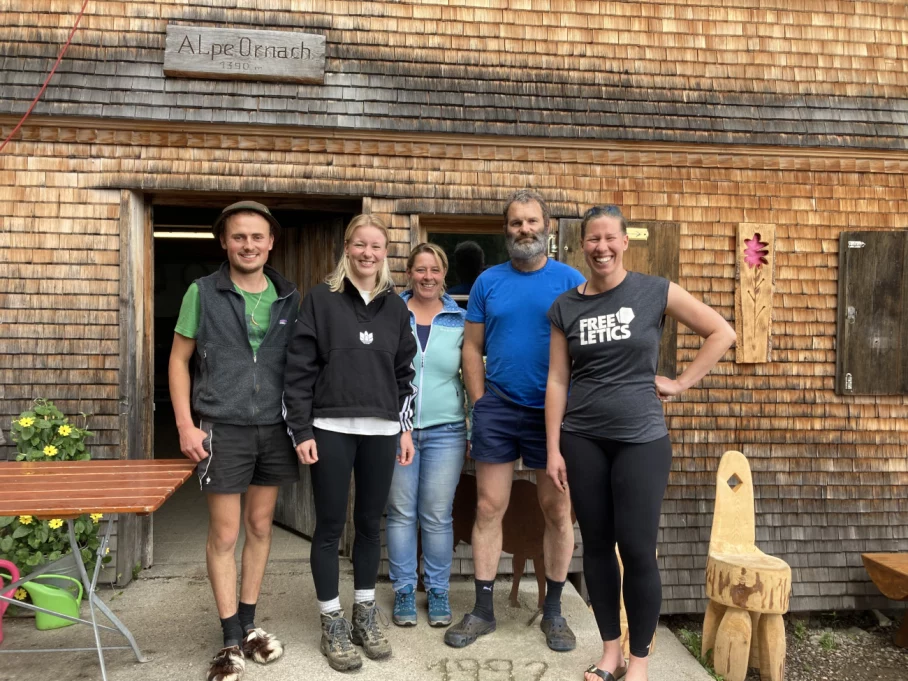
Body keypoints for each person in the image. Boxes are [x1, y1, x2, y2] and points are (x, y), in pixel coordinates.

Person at [545, 205, 736, 681]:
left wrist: (682, 381)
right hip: (582, 438)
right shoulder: (565, 306)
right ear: (582, 244)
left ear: (625, 241)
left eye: (610, 238)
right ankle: (610, 652)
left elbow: (721, 331)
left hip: (641, 440)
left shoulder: (655, 290)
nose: (601, 247)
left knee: (635, 547)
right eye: (593, 239)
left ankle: (641, 663)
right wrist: (552, 449)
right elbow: (556, 380)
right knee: (596, 548)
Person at [445, 190, 586, 651]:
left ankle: (554, 611)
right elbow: (471, 347)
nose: (523, 230)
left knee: (557, 509)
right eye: (514, 223)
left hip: (554, 411)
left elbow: (585, 352)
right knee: (488, 507)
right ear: (505, 230)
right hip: (500, 406)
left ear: (547, 225)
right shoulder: (488, 281)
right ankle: (484, 610)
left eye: (530, 222)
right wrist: (481, 402)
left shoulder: (571, 280)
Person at [169, 200, 300, 681]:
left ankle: (249, 626)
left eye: (257, 237)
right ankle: (228, 639)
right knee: (225, 534)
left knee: (261, 527)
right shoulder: (202, 292)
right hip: (221, 426)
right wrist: (186, 424)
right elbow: (179, 360)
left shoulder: (289, 297)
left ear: (271, 243)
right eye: (238, 237)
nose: (249, 245)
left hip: (275, 428)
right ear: (224, 242)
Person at [282, 214, 417, 673]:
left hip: (381, 431)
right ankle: (331, 620)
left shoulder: (396, 308)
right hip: (331, 428)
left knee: (369, 525)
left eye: (376, 246)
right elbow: (298, 369)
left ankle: (363, 613)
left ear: (385, 253)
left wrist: (404, 427)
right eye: (360, 245)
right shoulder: (321, 300)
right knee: (329, 525)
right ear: (347, 248)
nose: (368, 253)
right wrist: (301, 430)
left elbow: (405, 375)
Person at [386, 243, 468, 628]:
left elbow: (471, 375)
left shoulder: (460, 319)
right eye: (420, 269)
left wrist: (473, 423)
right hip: (396, 429)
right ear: (409, 273)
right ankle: (403, 589)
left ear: (444, 273)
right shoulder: (390, 313)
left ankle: (437, 590)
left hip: (446, 429)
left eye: (434, 270)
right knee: (401, 513)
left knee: (436, 515)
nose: (427, 277)